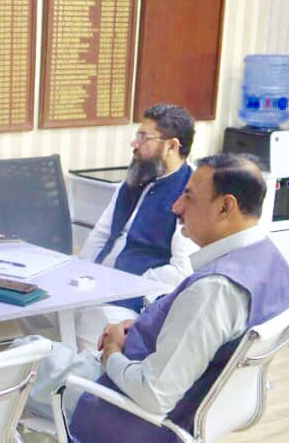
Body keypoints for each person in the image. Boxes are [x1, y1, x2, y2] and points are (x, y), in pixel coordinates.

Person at [0, 154, 289, 443]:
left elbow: (154, 395)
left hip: (136, 422)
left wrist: (112, 354)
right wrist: (144, 325)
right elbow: (199, 338)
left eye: (189, 198)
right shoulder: (268, 261)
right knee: (42, 387)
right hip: (185, 410)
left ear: (226, 207)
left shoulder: (214, 290)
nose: (177, 207)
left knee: (22, 364)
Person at [74, 104, 198, 350]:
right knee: (40, 310)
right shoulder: (135, 179)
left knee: (84, 328)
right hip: (96, 283)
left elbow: (182, 269)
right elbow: (102, 233)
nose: (134, 144)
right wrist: (79, 273)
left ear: (172, 146)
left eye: (144, 137)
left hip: (132, 298)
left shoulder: (190, 194)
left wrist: (126, 282)